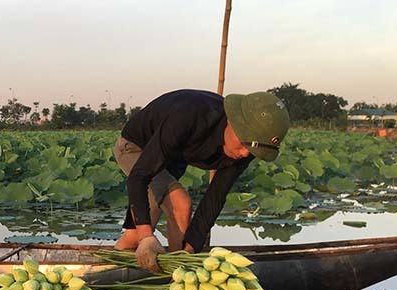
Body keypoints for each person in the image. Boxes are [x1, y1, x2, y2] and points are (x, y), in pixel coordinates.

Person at [113, 90, 290, 271]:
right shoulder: (188, 115)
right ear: (231, 121)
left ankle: (115, 270)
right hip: (135, 147)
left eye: (252, 150)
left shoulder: (250, 146)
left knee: (135, 235)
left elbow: (215, 197)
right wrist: (147, 237)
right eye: (244, 144)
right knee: (180, 204)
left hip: (173, 158)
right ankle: (175, 277)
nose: (245, 153)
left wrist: (191, 250)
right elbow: (139, 177)